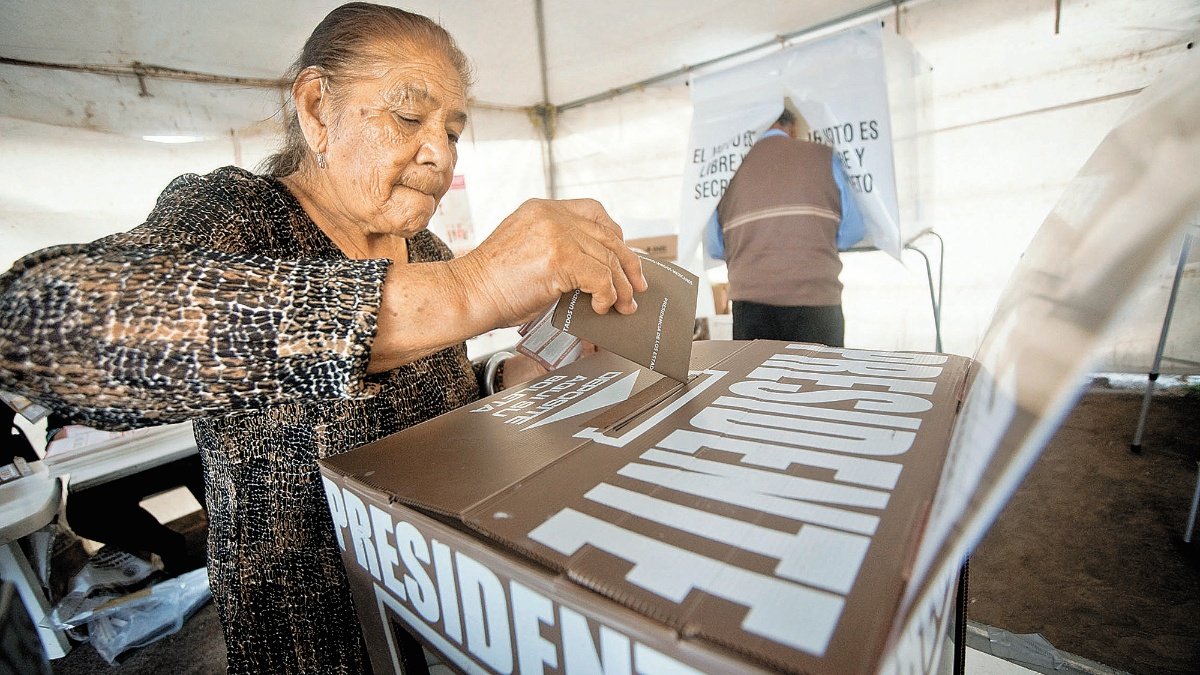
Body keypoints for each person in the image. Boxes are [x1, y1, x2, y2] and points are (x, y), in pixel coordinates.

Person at [0, 4, 645, 674]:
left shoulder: (426, 249)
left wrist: (512, 378)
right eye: (409, 117)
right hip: (315, 634)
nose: (441, 153)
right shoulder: (240, 218)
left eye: (453, 131)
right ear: (316, 109)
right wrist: (470, 288)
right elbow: (40, 326)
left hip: (443, 605)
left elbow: (433, 400)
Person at [705, 105, 865, 346]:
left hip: (750, 306)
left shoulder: (724, 170)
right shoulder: (824, 156)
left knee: (757, 371)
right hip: (816, 301)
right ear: (793, 127)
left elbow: (715, 247)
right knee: (819, 370)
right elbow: (853, 231)